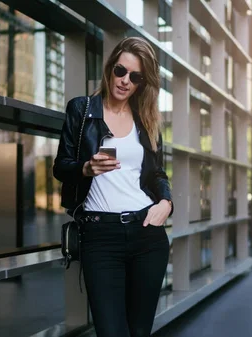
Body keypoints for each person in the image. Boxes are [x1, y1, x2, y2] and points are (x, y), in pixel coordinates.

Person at [53, 37, 173, 337]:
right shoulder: (81, 110)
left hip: (147, 233)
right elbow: (60, 166)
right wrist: (85, 168)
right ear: (110, 69)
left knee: (139, 331)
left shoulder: (144, 120)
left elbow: (157, 174)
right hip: (100, 235)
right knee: (110, 331)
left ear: (141, 83)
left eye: (135, 77)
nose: (125, 81)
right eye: (121, 71)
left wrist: (166, 204)